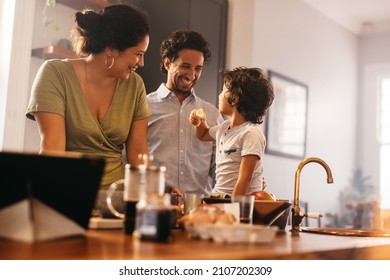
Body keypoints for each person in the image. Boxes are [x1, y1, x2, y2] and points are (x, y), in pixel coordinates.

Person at [26, 4, 151, 190]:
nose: (141, 62)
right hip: (68, 193)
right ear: (112, 49)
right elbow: (53, 150)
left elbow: (138, 152)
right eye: (138, 54)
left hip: (115, 201)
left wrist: (154, 191)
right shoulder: (55, 74)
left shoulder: (135, 85)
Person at [147, 30, 224, 195]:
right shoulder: (144, 106)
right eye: (185, 66)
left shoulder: (212, 114)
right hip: (154, 203)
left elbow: (219, 167)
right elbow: (131, 159)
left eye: (198, 68)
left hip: (199, 209)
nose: (192, 74)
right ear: (168, 63)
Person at [189, 67, 274, 196]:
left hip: (237, 200)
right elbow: (203, 134)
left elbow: (245, 178)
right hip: (219, 195)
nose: (219, 95)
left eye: (223, 90)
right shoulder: (223, 128)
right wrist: (199, 122)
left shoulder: (251, 133)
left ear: (234, 98)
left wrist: (234, 206)